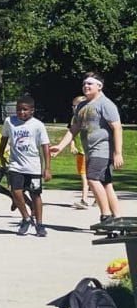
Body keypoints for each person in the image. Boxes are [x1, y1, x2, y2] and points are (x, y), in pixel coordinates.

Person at [50, 73, 124, 222]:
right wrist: (60, 146)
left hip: (102, 150)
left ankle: (106, 215)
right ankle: (118, 217)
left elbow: (117, 128)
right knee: (106, 183)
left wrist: (118, 153)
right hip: (90, 151)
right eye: (84, 84)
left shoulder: (105, 104)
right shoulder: (81, 106)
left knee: (92, 178)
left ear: (99, 86)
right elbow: (74, 128)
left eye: (90, 83)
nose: (86, 86)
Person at [0, 95, 52, 237]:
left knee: (35, 195)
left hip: (33, 166)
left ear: (32, 110)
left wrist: (47, 168)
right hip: (16, 165)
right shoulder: (9, 122)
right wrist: (1, 155)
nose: (21, 112)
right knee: (16, 191)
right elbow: (4, 138)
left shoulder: (38, 125)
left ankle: (39, 224)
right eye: (18, 110)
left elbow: (45, 146)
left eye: (25, 110)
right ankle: (26, 218)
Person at [69, 95, 92, 209]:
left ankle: (84, 200)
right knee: (85, 176)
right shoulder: (74, 119)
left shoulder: (90, 118)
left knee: (87, 177)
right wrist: (72, 145)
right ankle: (95, 198)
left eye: (75, 106)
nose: (73, 108)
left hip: (89, 152)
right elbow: (71, 134)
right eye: (73, 106)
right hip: (80, 152)